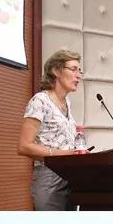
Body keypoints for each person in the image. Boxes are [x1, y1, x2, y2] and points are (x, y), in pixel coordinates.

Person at [18, 50, 85, 210]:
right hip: (49, 178)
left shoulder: (67, 102)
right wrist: (66, 154)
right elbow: (24, 146)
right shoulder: (40, 101)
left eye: (79, 71)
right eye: (73, 69)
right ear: (56, 70)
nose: (78, 76)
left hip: (70, 177)